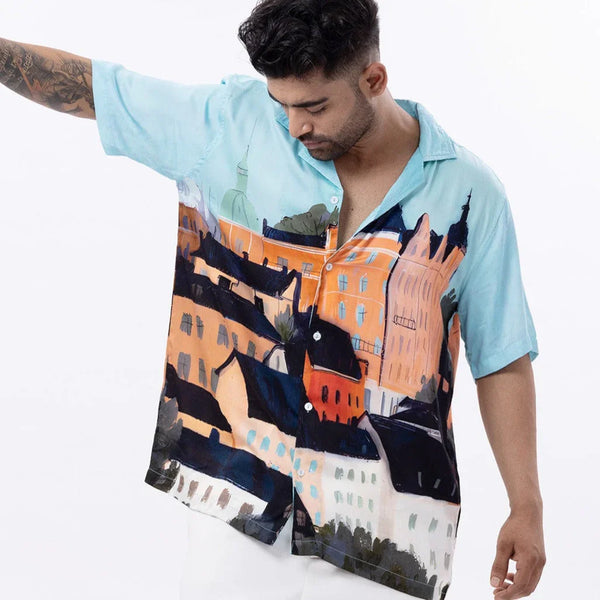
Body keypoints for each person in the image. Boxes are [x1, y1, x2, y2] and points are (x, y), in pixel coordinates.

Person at [0, 1, 546, 599]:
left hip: (384, 541)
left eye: (314, 106)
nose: (294, 127)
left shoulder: (471, 194)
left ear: (373, 79)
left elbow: (502, 357)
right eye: (280, 104)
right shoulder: (230, 126)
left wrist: (526, 505)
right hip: (238, 514)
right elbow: (97, 91)